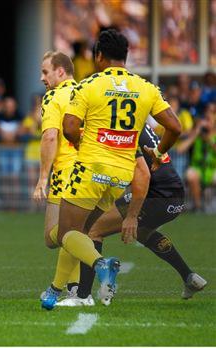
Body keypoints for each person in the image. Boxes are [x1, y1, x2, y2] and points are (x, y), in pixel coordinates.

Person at [41, 29, 182, 310]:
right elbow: (175, 127)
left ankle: (100, 265)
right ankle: (55, 291)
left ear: (99, 56)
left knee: (66, 234)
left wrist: (83, 141)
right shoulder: (146, 88)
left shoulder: (89, 85)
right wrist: (159, 152)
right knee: (84, 229)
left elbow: (69, 128)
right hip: (120, 176)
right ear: (126, 56)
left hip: (90, 169)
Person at [56, 125, 207, 306]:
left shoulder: (124, 125)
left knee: (92, 230)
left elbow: (140, 173)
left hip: (156, 196)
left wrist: (131, 215)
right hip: (175, 196)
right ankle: (189, 277)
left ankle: (83, 296)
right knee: (144, 233)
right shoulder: (138, 121)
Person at [31, 51, 81, 302]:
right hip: (90, 170)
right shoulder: (85, 91)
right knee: (75, 232)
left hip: (66, 172)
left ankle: (97, 265)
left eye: (45, 72)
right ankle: (76, 289)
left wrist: (43, 178)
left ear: (61, 71)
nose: (42, 78)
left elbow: (50, 136)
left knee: (55, 236)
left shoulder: (53, 96)